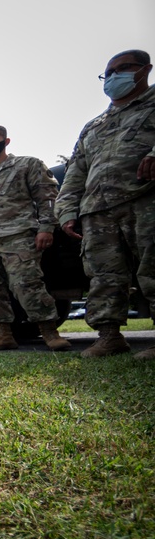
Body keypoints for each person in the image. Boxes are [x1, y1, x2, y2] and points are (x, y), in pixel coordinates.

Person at [55, 49, 155, 359]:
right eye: (108, 73)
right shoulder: (94, 125)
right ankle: (109, 337)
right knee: (103, 276)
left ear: (145, 69)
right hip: (97, 210)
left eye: (123, 69)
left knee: (152, 268)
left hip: (144, 200)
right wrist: (67, 210)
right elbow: (76, 171)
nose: (113, 77)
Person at [0, 125, 71, 352]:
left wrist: (47, 227)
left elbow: (47, 198)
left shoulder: (27, 165)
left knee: (27, 284)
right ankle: (3, 335)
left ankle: (49, 332)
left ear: (5, 141)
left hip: (18, 236)